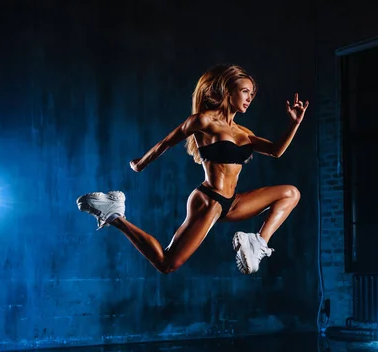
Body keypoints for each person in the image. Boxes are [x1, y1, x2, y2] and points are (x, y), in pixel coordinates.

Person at [76, 64, 308, 275]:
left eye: (252, 94)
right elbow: (167, 142)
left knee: (291, 193)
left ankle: (258, 243)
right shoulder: (203, 121)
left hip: (231, 203)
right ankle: (115, 215)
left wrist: (294, 123)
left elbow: (276, 151)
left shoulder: (244, 132)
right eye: (245, 91)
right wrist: (140, 164)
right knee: (167, 263)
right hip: (209, 200)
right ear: (228, 92)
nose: (249, 98)